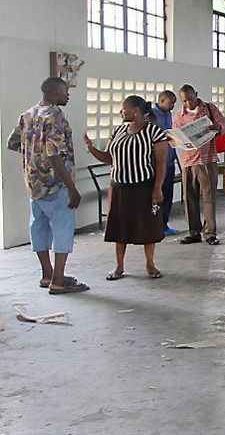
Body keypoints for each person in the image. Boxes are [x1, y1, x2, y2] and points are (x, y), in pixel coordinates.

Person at [5, 77, 89, 294]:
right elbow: (55, 155)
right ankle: (59, 281)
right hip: (55, 185)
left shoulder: (27, 114)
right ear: (52, 94)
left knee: (39, 227)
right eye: (64, 92)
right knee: (62, 228)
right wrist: (71, 187)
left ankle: (47, 274)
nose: (67, 95)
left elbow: (13, 143)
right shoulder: (55, 116)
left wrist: (34, 158)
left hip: (33, 184)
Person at [84, 96, 170, 280]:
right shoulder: (118, 131)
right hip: (120, 187)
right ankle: (119, 266)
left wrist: (157, 188)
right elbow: (109, 158)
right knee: (119, 228)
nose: (121, 112)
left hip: (144, 188)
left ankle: (150, 264)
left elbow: (161, 163)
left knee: (147, 227)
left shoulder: (154, 132)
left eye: (124, 109)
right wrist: (91, 148)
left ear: (136, 111)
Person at [173, 84, 225, 245]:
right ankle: (194, 232)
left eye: (190, 99)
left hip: (207, 160)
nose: (187, 103)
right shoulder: (179, 115)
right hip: (189, 162)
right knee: (190, 197)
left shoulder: (209, 109)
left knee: (209, 198)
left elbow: (224, 126)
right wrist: (174, 139)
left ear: (196, 94)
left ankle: (210, 233)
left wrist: (217, 127)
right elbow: (176, 136)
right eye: (184, 101)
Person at [150, 90, 179, 235]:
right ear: (161, 101)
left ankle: (164, 225)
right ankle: (154, 226)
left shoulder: (168, 114)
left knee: (167, 196)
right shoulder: (151, 115)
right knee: (157, 196)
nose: (173, 106)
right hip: (157, 164)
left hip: (169, 162)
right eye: (170, 103)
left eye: (174, 103)